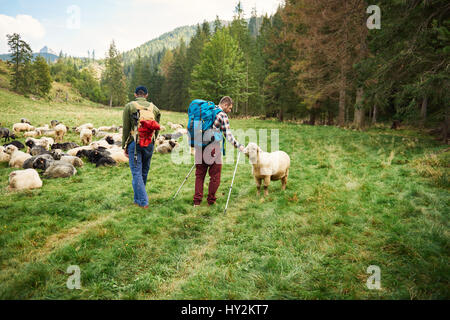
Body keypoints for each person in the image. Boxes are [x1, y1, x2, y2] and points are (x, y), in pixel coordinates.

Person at [193, 96, 244, 207]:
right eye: (230, 108)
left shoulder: (207, 110)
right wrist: (238, 146)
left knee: (199, 175)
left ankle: (197, 202)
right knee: (215, 175)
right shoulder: (222, 115)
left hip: (199, 145)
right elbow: (228, 136)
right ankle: (211, 200)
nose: (230, 110)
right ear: (225, 105)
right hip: (212, 148)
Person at [122, 86, 161, 209]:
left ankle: (143, 202)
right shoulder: (154, 108)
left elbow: (126, 128)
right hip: (149, 142)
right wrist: (153, 142)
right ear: (146, 95)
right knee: (143, 171)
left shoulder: (129, 106)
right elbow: (157, 127)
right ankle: (137, 200)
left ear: (135, 94)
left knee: (136, 172)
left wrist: (124, 145)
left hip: (135, 142)